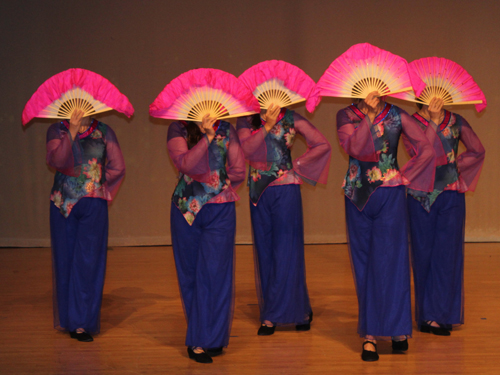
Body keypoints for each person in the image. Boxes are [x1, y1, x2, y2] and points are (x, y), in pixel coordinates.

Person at [336, 92, 436, 361]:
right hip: (357, 197)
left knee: (393, 262)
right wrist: (368, 116)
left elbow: (426, 149)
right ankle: (370, 336)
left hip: (390, 196)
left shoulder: (398, 114)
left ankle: (397, 329)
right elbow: (356, 149)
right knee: (365, 263)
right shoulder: (345, 115)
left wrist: (405, 175)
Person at [236, 104, 331, 336]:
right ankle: (274, 311)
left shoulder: (290, 118)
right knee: (266, 251)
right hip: (259, 192)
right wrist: (267, 125)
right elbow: (246, 151)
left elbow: (322, 144)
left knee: (287, 251)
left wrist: (296, 166)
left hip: (286, 190)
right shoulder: (246, 121)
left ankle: (293, 312)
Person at [167, 114, 245, 364]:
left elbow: (239, 169)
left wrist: (219, 184)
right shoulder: (176, 129)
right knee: (191, 274)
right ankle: (198, 337)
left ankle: (212, 337)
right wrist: (207, 137)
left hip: (220, 210)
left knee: (216, 275)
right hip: (186, 210)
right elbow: (186, 165)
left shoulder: (227, 129)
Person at [405, 97, 485, 336]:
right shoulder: (410, 123)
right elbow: (422, 154)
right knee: (423, 254)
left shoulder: (456, 121)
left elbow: (478, 149)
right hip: (421, 196)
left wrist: (456, 166)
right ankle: (427, 316)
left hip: (450, 195)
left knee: (448, 255)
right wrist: (433, 122)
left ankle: (443, 314)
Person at [47, 109, 125, 342]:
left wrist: (97, 185)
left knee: (89, 263)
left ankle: (81, 323)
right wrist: (71, 130)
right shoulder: (57, 130)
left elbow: (118, 166)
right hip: (63, 204)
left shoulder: (104, 132)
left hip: (93, 205)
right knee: (65, 260)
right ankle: (68, 319)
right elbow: (56, 161)